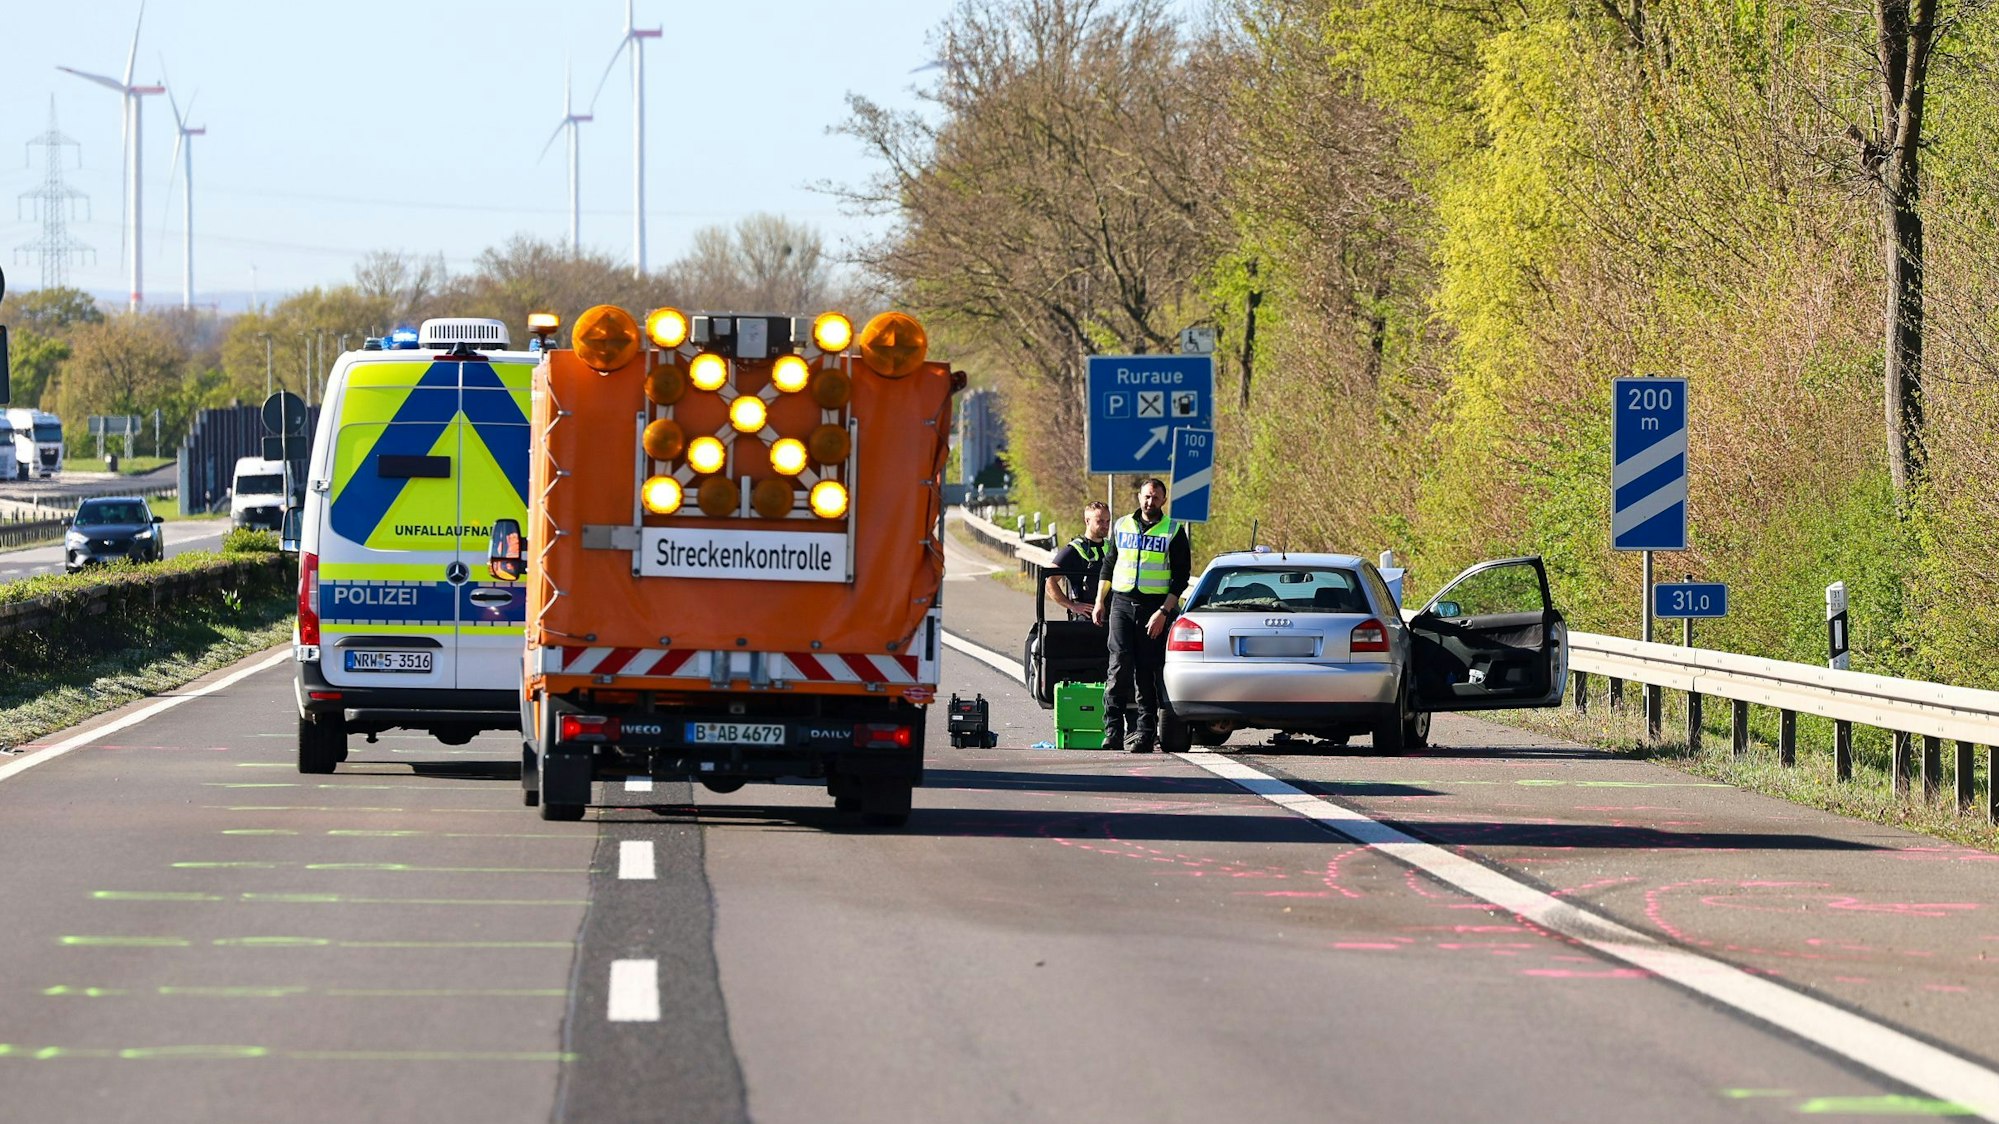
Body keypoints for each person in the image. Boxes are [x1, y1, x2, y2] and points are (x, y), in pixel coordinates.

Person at [1091, 477, 1190, 753]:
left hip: (1153, 609)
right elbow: (1108, 566)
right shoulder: (1122, 525)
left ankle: (1145, 734)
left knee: (1146, 671)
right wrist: (1100, 601)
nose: (1150, 502)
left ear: (1163, 500)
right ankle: (1112, 731)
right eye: (1146, 496)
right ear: (1139, 497)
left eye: (1156, 498)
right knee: (1118, 665)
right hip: (1121, 603)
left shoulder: (1173, 531)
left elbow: (1180, 579)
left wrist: (1163, 612)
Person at [1045, 501, 1111, 621]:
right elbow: (1050, 581)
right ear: (1087, 521)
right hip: (1086, 618)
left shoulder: (1112, 547)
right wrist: (1072, 606)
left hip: (1111, 615)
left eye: (1108, 521)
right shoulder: (1074, 550)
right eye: (1100, 521)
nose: (1105, 526)